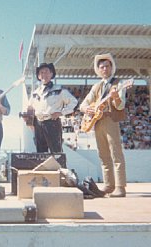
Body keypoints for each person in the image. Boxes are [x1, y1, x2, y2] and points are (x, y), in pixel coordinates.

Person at [80, 53, 128, 197]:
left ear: (112, 67)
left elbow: (120, 106)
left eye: (107, 66)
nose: (104, 69)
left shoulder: (119, 84)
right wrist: (86, 109)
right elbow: (83, 104)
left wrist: (116, 97)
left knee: (116, 153)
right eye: (102, 67)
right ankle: (108, 185)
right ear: (98, 69)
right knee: (103, 155)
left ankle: (120, 186)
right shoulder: (96, 86)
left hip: (110, 119)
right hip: (97, 121)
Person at [25, 63, 78, 153]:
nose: (44, 74)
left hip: (52, 123)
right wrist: (29, 120)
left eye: (46, 72)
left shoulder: (59, 90)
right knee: (40, 153)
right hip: (38, 124)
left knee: (57, 152)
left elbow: (74, 103)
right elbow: (30, 108)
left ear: (51, 74)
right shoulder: (35, 93)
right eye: (41, 72)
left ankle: (60, 167)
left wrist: (61, 112)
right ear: (38, 76)